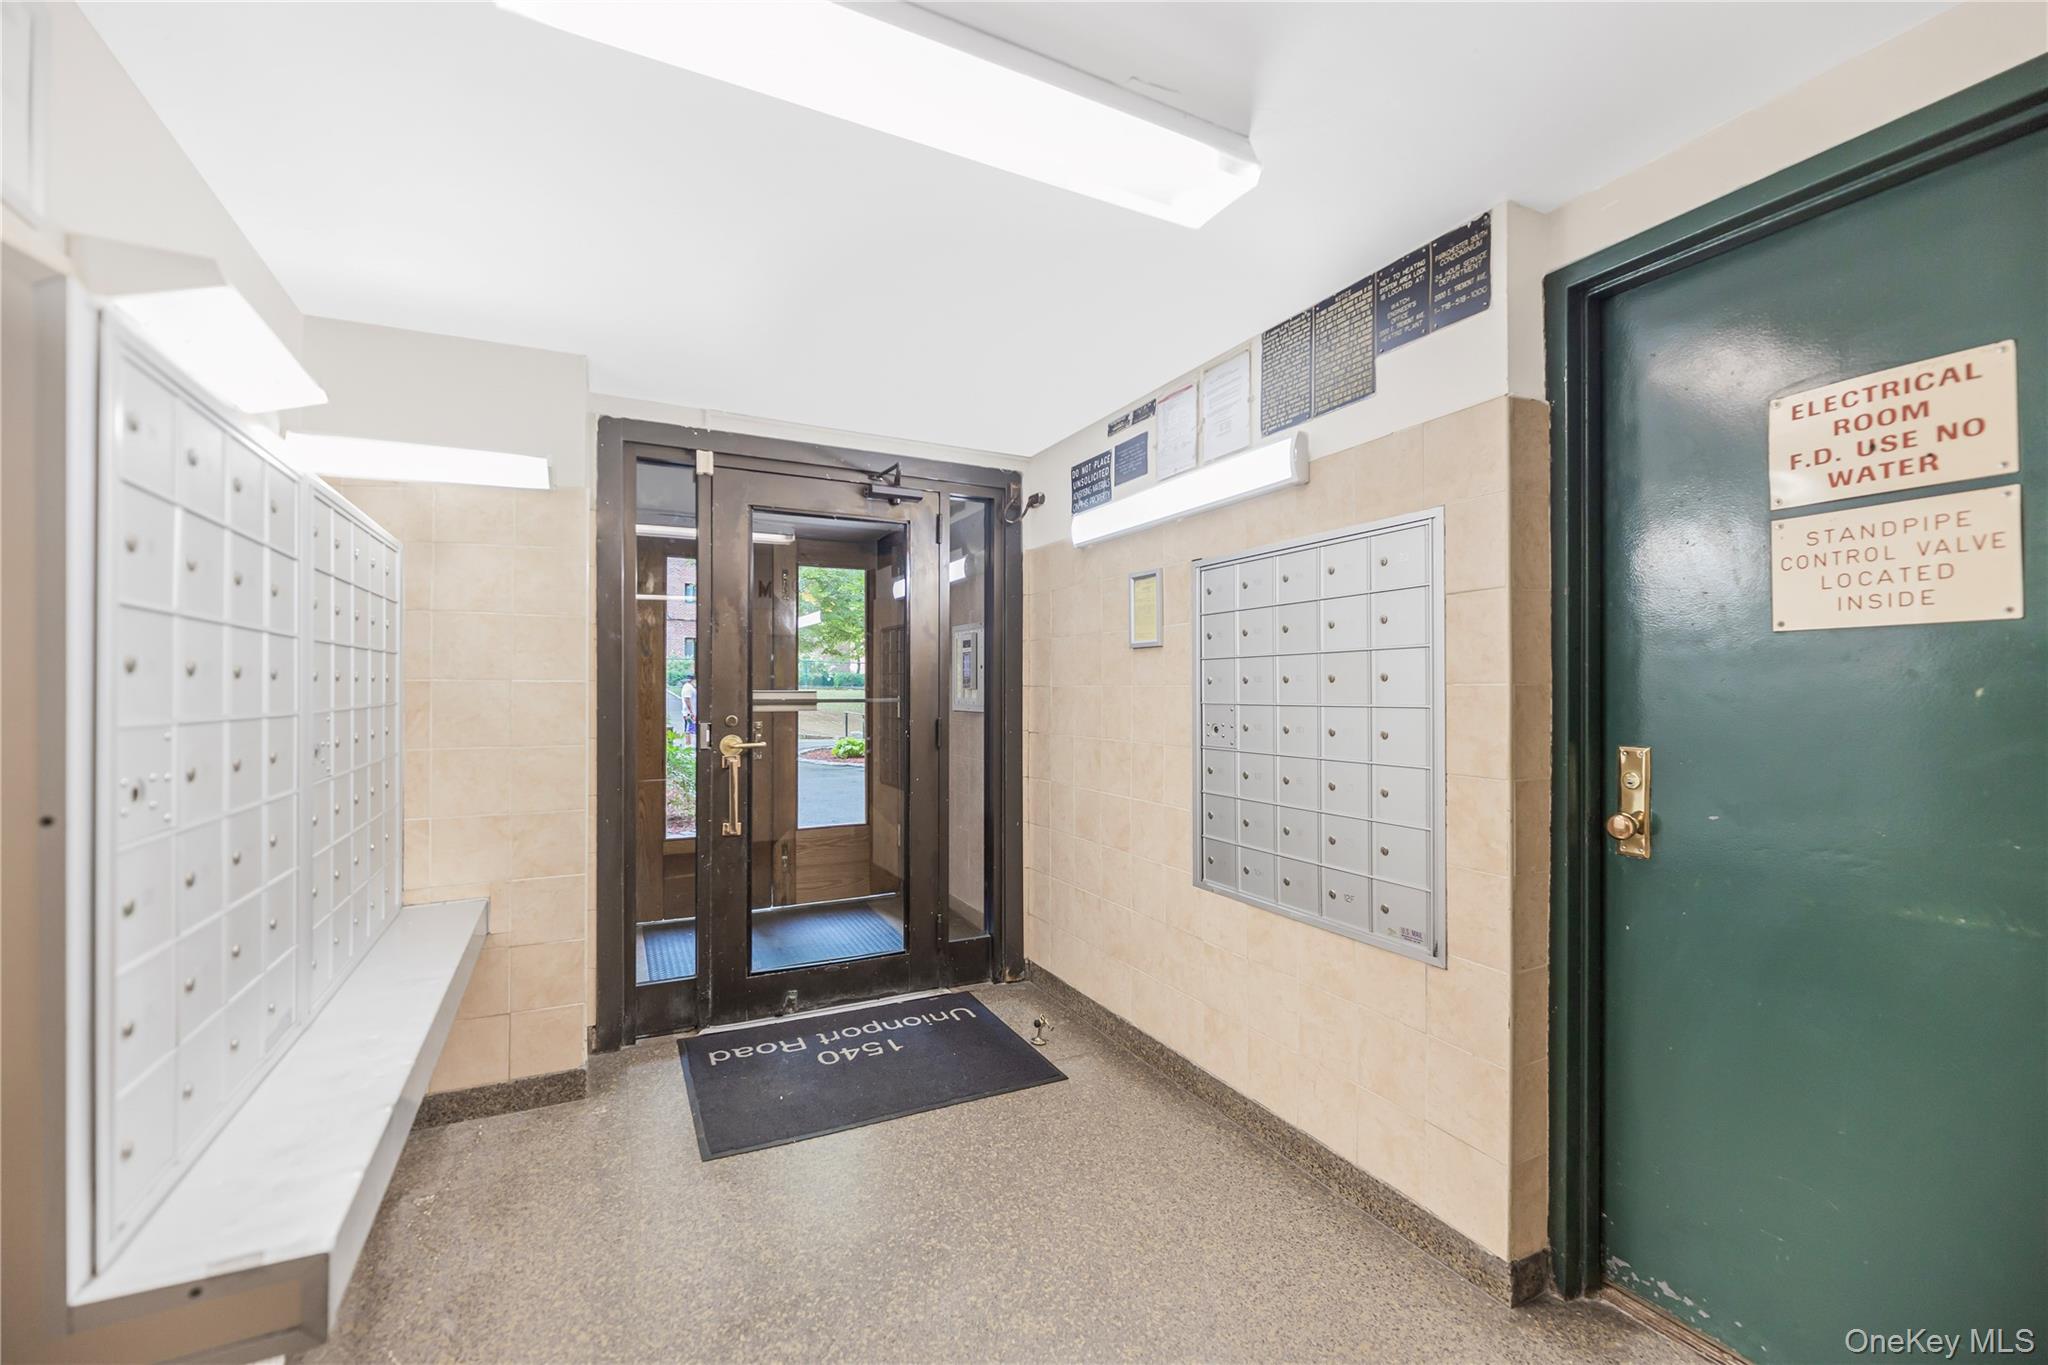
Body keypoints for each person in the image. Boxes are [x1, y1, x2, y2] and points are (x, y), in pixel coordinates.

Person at [680, 672, 698, 741]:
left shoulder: (690, 686)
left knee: (690, 728)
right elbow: (687, 699)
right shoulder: (688, 687)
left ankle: (689, 744)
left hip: (690, 711)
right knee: (689, 729)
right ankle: (688, 744)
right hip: (689, 712)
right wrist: (691, 711)